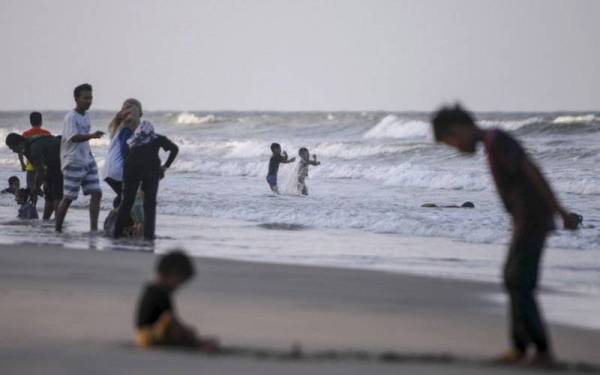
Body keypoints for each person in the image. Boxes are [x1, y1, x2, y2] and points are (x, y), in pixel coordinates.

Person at [431, 104, 579, 366]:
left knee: (520, 282)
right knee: (513, 279)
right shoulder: (491, 143)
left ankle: (542, 352)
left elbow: (533, 172)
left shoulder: (497, 141)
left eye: (450, 142)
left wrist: (561, 212)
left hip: (533, 220)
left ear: (458, 130)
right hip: (525, 221)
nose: (455, 149)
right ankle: (520, 348)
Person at [113, 103, 178, 240]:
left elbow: (125, 154)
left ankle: (116, 235)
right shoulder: (157, 138)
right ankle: (149, 237)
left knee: (127, 202)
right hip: (152, 170)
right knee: (150, 205)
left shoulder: (131, 140)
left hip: (132, 169)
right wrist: (165, 166)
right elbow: (175, 149)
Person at [135, 250, 219, 350]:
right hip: (149, 335)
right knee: (174, 326)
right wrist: (184, 330)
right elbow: (168, 316)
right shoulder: (159, 293)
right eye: (180, 281)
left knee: (181, 329)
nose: (179, 286)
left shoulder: (156, 291)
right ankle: (195, 345)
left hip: (148, 335)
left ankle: (193, 343)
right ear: (172, 274)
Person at [55, 83, 104, 232]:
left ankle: (94, 229)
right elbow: (73, 137)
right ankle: (57, 228)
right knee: (69, 197)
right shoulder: (71, 117)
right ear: (77, 98)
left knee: (97, 192)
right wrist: (92, 136)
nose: (89, 101)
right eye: (85, 98)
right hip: (72, 161)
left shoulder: (86, 115)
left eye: (91, 98)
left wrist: (89, 152)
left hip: (87, 159)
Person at [5, 133, 63, 220]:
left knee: (56, 194)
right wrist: (43, 183)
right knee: (48, 193)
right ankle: (46, 221)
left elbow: (40, 171)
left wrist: (35, 190)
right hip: (51, 165)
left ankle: (59, 222)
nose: (13, 151)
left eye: (12, 148)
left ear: (19, 143)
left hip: (62, 161)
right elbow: (39, 169)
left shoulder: (34, 148)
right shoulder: (26, 148)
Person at [104, 99, 139, 208]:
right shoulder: (127, 129)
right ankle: (118, 220)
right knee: (129, 196)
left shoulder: (118, 127)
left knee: (122, 196)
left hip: (107, 170)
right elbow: (125, 149)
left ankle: (117, 218)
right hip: (118, 169)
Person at [21, 112, 51, 192]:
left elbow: (21, 150)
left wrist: (22, 163)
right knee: (46, 188)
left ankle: (34, 204)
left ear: (30, 122)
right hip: (44, 166)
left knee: (32, 188)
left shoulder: (26, 134)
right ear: (41, 121)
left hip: (31, 166)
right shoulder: (47, 133)